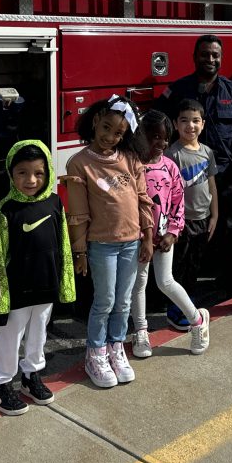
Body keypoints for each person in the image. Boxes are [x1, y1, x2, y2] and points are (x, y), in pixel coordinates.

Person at [65, 95, 154, 389]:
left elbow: (143, 199)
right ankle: (96, 353)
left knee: (124, 301)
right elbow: (77, 213)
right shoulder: (79, 163)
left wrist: (148, 236)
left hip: (131, 242)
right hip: (101, 244)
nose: (110, 137)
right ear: (95, 121)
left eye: (118, 133)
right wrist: (79, 251)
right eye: (105, 128)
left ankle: (117, 347)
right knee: (104, 301)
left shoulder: (130, 159)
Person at [158, 35, 232, 291]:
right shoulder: (178, 89)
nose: (210, 60)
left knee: (227, 226)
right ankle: (184, 283)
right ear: (195, 57)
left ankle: (226, 281)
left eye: (215, 55)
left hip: (225, 174)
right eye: (205, 54)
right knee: (187, 229)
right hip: (188, 177)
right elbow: (160, 124)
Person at [0, 140, 75, 413]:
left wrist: (66, 284)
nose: (31, 179)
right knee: (10, 337)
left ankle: (31, 375)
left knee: (39, 331)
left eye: (39, 173)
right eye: (22, 173)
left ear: (48, 172)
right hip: (16, 291)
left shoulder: (53, 202)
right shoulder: (6, 210)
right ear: (11, 174)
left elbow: (63, 245)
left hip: (45, 286)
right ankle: (0, 385)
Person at [130, 110, 211, 358]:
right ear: (140, 136)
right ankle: (141, 331)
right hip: (137, 238)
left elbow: (178, 203)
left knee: (165, 281)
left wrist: (173, 232)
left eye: (165, 139)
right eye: (154, 137)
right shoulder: (133, 167)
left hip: (164, 236)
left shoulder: (171, 167)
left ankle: (197, 321)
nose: (161, 144)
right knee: (139, 284)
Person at [164, 99, 219, 328]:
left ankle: (188, 302)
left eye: (196, 121)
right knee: (178, 266)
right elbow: (166, 192)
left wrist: (214, 215)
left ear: (203, 124)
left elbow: (212, 185)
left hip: (203, 218)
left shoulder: (207, 152)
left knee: (194, 265)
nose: (190, 126)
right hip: (180, 222)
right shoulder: (172, 153)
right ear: (176, 124)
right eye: (184, 120)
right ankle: (174, 309)